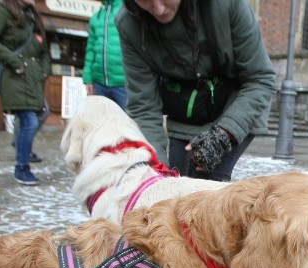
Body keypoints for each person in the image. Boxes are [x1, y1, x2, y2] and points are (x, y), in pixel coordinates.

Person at [116, 0, 276, 181]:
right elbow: (143, 107)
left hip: (236, 105)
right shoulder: (128, 24)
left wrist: (224, 136)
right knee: (173, 183)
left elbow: (260, 79)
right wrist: (156, 171)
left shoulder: (227, 4)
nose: (159, 9)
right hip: (185, 107)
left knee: (207, 189)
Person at [0, 0, 51, 185]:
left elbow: (43, 50)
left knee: (41, 114)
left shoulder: (31, 14)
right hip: (16, 76)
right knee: (28, 121)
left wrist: (44, 71)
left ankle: (20, 146)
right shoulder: (4, 10)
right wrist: (13, 61)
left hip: (33, 78)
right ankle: (22, 167)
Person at [83, 0, 127, 110]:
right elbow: (90, 50)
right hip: (98, 83)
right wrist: (88, 78)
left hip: (123, 83)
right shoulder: (96, 17)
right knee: (98, 122)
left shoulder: (127, 12)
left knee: (126, 123)